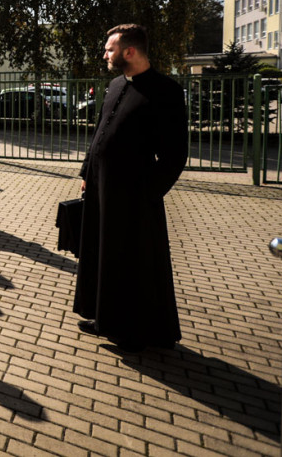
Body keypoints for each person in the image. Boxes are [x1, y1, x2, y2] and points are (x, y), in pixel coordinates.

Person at [73, 24, 187, 352]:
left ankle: (133, 332)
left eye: (109, 49)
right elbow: (99, 133)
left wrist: (149, 193)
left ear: (130, 51)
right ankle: (103, 318)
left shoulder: (166, 91)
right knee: (101, 255)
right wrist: (86, 172)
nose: (104, 54)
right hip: (100, 188)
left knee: (131, 262)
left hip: (135, 195)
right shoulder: (114, 85)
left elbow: (175, 153)